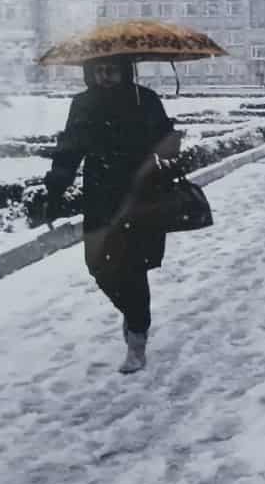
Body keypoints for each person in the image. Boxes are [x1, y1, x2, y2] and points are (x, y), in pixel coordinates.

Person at [39, 58, 183, 374]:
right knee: (99, 267)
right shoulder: (83, 104)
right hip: (100, 198)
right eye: (99, 71)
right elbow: (69, 150)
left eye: (112, 70)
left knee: (133, 267)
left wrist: (167, 146)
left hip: (141, 195)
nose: (105, 77)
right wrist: (55, 191)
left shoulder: (145, 99)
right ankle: (133, 314)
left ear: (125, 70)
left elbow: (167, 143)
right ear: (90, 73)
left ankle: (137, 339)